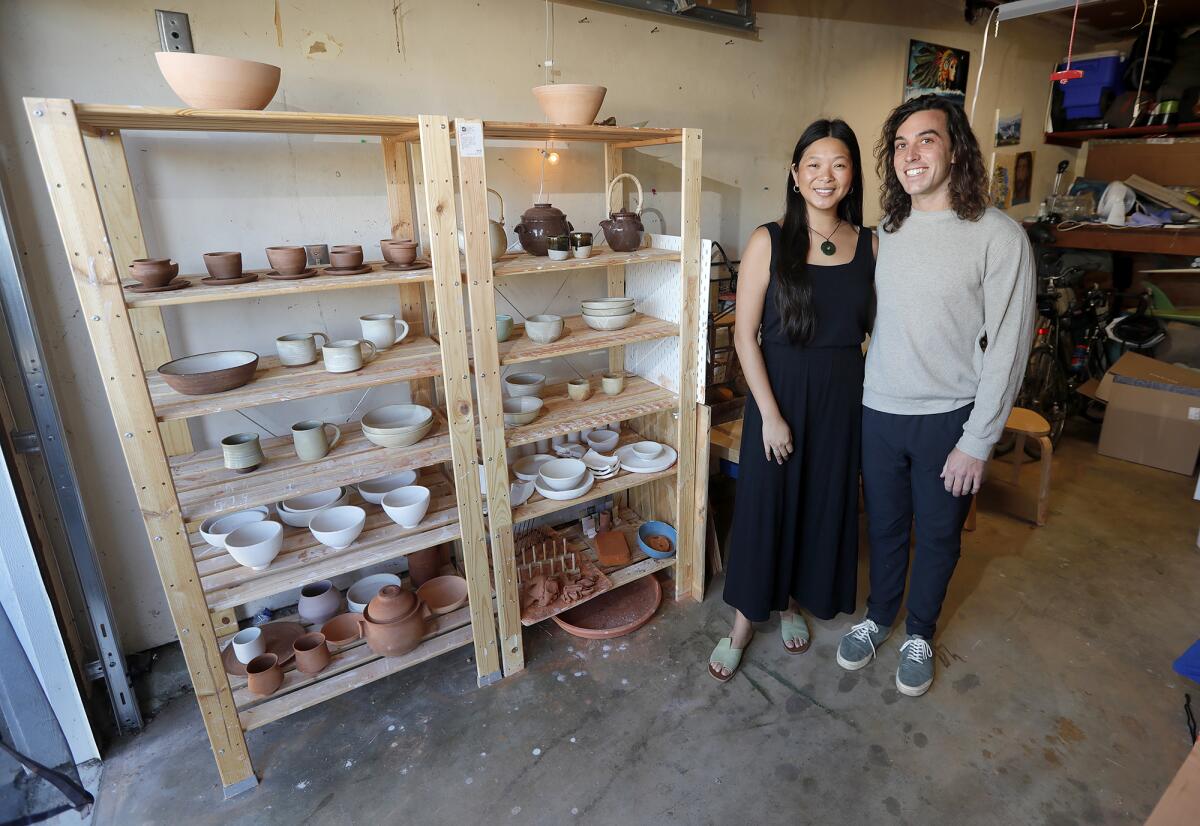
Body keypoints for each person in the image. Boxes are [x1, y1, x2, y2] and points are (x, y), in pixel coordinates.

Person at [835, 95, 1035, 697]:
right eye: (899, 144)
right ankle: (878, 616)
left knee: (941, 534)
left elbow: (1009, 347)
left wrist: (978, 441)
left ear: (955, 149)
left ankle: (920, 630)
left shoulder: (998, 236)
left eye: (926, 139)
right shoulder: (887, 233)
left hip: (948, 419)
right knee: (889, 528)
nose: (910, 154)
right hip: (879, 410)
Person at [709, 119, 876, 682]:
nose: (825, 176)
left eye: (838, 164)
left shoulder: (869, 244)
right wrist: (771, 415)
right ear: (795, 174)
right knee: (765, 506)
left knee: (820, 504)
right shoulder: (769, 239)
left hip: (841, 397)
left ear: (852, 176)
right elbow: (743, 334)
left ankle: (793, 604)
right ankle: (740, 624)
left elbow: (876, 331)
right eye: (814, 165)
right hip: (778, 392)